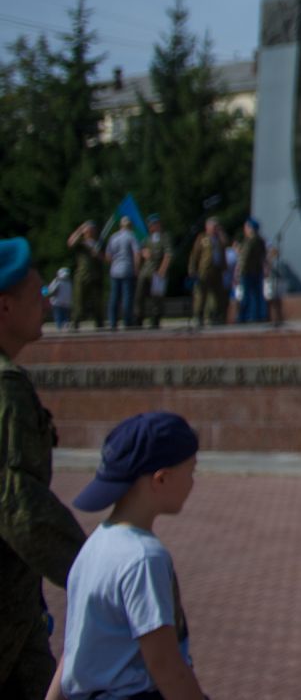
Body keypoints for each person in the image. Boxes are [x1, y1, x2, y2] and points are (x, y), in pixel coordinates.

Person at [56, 411, 206, 700]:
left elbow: (74, 649)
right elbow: (165, 667)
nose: (192, 482)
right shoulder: (144, 557)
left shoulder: (95, 545)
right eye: (191, 471)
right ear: (161, 479)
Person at [0, 237, 87, 697]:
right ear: (5, 307)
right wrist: (91, 569)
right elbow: (19, 506)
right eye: (36, 295)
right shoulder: (5, 388)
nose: (48, 303)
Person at [185, 218, 226, 329]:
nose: (215, 229)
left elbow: (224, 250)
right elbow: (195, 255)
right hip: (204, 271)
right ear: (207, 227)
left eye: (216, 227)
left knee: (217, 295)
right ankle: (198, 316)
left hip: (217, 270)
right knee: (200, 294)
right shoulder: (202, 238)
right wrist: (192, 269)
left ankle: (214, 316)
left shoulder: (219, 239)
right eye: (213, 227)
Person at [64, 222, 104, 333]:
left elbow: (105, 258)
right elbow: (70, 243)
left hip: (95, 276)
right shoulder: (81, 243)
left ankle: (99, 323)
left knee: (97, 302)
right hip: (82, 275)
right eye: (89, 230)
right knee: (78, 301)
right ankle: (75, 322)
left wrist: (98, 254)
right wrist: (80, 228)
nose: (91, 231)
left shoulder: (98, 243)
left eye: (92, 229)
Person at [103, 217, 141, 333]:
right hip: (127, 269)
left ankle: (113, 322)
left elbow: (108, 256)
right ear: (130, 226)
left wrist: (114, 263)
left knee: (114, 297)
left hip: (115, 270)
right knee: (127, 298)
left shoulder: (113, 237)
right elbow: (137, 254)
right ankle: (127, 322)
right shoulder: (131, 236)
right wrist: (137, 269)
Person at [136, 217, 170, 330]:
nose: (151, 227)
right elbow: (140, 250)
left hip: (157, 272)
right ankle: (139, 318)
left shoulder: (164, 238)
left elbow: (167, 255)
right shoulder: (147, 238)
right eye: (150, 225)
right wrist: (143, 253)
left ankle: (155, 320)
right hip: (145, 271)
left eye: (153, 225)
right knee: (140, 295)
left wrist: (162, 270)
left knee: (156, 298)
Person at [232, 217, 267, 325]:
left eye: (246, 227)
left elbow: (244, 257)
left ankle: (244, 316)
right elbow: (263, 255)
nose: (245, 230)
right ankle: (258, 315)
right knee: (257, 295)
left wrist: (239, 271)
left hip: (247, 272)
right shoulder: (260, 240)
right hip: (257, 270)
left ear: (250, 228)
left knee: (246, 295)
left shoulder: (249, 241)